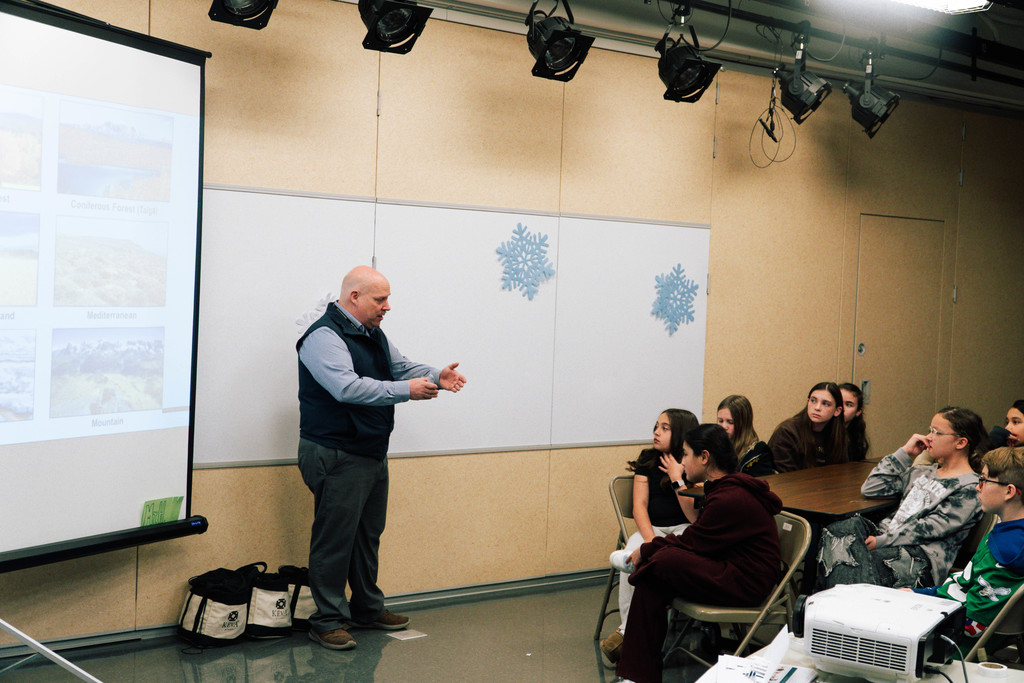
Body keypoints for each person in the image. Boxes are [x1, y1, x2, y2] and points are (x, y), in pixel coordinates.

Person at [295, 265, 467, 650]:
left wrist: (436, 374)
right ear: (354, 297)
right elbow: (347, 388)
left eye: (387, 298)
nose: (387, 307)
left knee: (367, 535)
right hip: (336, 451)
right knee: (335, 539)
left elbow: (400, 366)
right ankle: (326, 620)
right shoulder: (323, 336)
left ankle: (367, 609)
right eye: (380, 299)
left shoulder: (371, 332)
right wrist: (406, 390)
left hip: (369, 450)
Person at [611, 424, 782, 683]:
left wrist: (645, 551)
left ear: (704, 457)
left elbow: (693, 543)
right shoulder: (722, 490)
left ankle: (637, 675)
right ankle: (636, 676)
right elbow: (699, 543)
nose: (682, 461)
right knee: (656, 576)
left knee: (665, 560)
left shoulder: (730, 497)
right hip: (727, 568)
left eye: (686, 454)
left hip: (747, 583)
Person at [817, 406, 987, 591]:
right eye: (929, 430)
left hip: (920, 557)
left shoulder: (971, 487)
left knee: (847, 561)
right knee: (840, 529)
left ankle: (832, 610)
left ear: (960, 442)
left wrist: (881, 541)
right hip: (887, 537)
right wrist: (905, 452)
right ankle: (849, 609)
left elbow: (929, 528)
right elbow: (872, 488)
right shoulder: (921, 471)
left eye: (936, 432)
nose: (928, 437)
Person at [599, 409, 699, 666]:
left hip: (683, 530)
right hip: (650, 529)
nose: (656, 432)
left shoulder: (691, 463)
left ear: (681, 434)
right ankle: (629, 628)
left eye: (665, 428)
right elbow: (639, 507)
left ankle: (637, 634)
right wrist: (648, 540)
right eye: (656, 426)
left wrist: (677, 477)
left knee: (669, 558)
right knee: (631, 560)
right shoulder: (647, 460)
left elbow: (694, 518)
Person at [910, 446, 1024, 647]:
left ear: (1009, 491)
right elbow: (964, 586)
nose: (978, 487)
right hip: (950, 606)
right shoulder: (1007, 534)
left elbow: (972, 625)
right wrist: (920, 595)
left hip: (953, 644)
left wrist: (915, 610)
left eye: (984, 480)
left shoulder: (1009, 551)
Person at [768, 382, 848, 472]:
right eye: (813, 401)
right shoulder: (787, 432)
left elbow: (840, 471)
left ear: (837, 411)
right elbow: (784, 476)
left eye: (825, 404)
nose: (817, 408)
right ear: (808, 402)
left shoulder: (838, 433)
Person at [717, 394, 773, 476]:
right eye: (720, 421)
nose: (724, 426)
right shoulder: (715, 446)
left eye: (730, 422)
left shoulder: (758, 453)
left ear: (744, 424)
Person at [839, 382, 870, 462]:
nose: (842, 408)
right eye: (839, 402)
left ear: (858, 411)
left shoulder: (855, 436)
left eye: (848, 405)